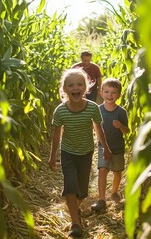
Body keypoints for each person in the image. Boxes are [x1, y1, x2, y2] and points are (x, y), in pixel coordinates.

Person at [48, 68, 112, 237]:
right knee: (70, 185)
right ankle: (75, 223)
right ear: (64, 88)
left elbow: (99, 128)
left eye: (79, 84)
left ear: (86, 88)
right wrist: (52, 156)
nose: (75, 88)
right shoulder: (60, 111)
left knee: (82, 191)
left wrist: (105, 147)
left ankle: (74, 210)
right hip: (68, 152)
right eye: (71, 85)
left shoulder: (92, 108)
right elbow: (57, 133)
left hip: (86, 153)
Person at [90, 78, 130, 212]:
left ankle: (114, 192)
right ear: (101, 93)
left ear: (118, 95)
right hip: (103, 146)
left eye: (114, 92)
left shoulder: (121, 112)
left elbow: (127, 131)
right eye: (106, 92)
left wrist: (121, 126)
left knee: (117, 172)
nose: (110, 95)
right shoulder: (98, 110)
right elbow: (93, 126)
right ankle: (101, 199)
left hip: (118, 148)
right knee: (102, 170)